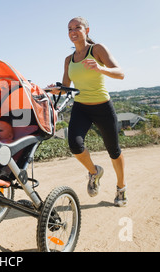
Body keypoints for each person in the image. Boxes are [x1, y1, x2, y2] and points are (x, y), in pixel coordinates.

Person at [50, 16, 127, 207]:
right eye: (69, 29)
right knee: (75, 145)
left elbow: (121, 73)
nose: (73, 31)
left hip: (102, 107)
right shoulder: (68, 60)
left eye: (77, 27)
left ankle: (121, 189)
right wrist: (56, 89)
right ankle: (94, 172)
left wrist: (101, 68)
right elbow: (67, 86)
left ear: (87, 30)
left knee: (113, 151)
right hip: (81, 108)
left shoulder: (97, 49)